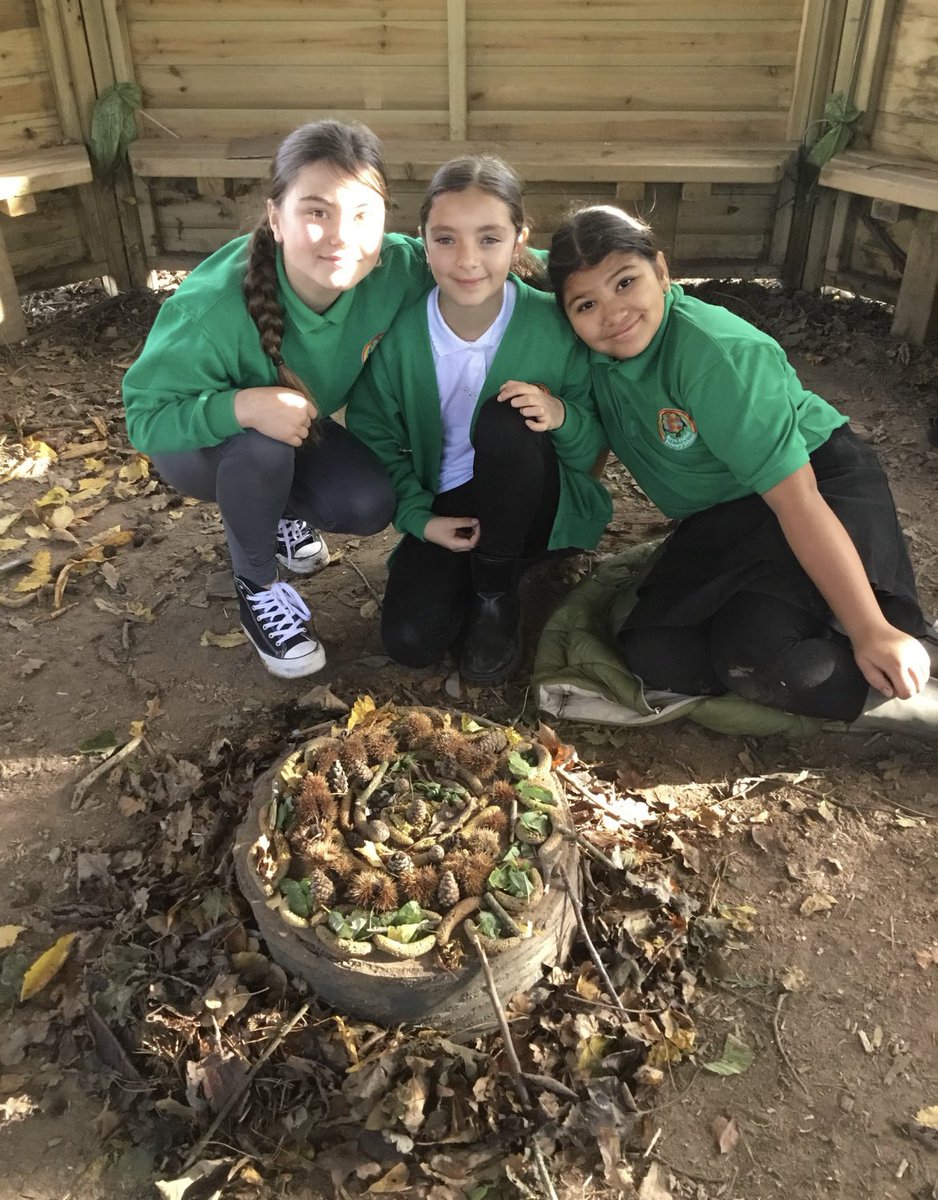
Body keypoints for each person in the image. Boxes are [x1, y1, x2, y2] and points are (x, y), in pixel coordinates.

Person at [547, 204, 938, 734]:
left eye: (625, 282)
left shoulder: (715, 357)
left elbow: (797, 501)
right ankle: (821, 631)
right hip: (728, 515)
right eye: (586, 303)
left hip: (816, 490)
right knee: (659, 655)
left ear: (661, 269)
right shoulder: (596, 357)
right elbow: (514, 259)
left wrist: (869, 628)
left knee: (763, 658)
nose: (612, 312)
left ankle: (911, 659)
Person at [122, 119, 432, 679]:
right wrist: (239, 407)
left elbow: (481, 260)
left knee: (367, 502)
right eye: (317, 211)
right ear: (276, 218)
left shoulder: (395, 267)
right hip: (199, 442)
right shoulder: (212, 309)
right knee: (261, 447)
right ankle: (258, 585)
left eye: (363, 213)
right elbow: (146, 419)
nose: (341, 236)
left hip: (292, 424)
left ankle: (277, 510)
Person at [345, 157, 611, 684]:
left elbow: (592, 443)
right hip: (452, 506)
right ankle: (485, 568)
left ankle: (496, 593)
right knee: (411, 642)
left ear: (519, 241)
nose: (467, 260)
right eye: (446, 239)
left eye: (489, 239)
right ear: (423, 241)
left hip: (538, 499)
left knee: (505, 418)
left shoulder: (554, 323)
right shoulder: (400, 334)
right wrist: (419, 517)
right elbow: (373, 433)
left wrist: (561, 416)